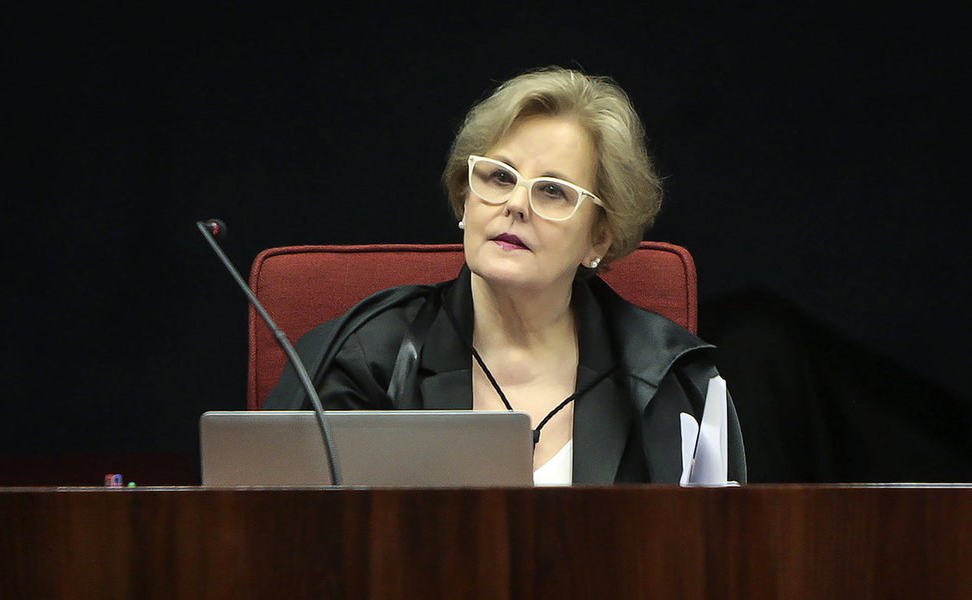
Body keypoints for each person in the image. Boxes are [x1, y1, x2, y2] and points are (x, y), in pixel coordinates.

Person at [264, 66, 746, 485]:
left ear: (599, 237)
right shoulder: (365, 360)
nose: (515, 204)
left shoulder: (671, 382)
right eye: (499, 177)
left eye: (553, 191)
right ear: (465, 197)